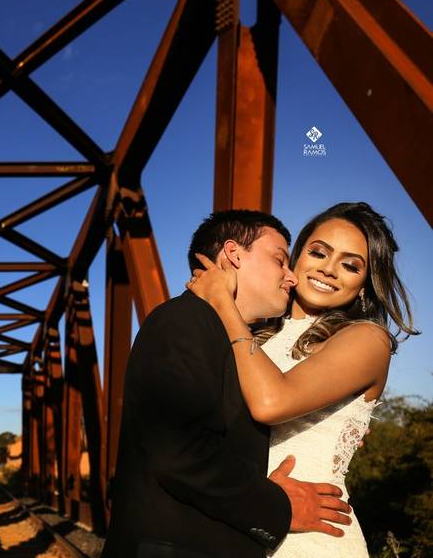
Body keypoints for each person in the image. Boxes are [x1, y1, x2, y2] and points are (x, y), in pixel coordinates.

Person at [102, 210, 352, 558]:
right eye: (279, 260)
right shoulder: (183, 319)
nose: (291, 276)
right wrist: (278, 507)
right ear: (233, 254)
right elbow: (180, 450)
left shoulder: (233, 341)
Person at [185, 202, 419, 557]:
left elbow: (271, 403)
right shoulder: (253, 335)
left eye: (350, 265)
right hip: (244, 523)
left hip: (312, 536)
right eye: (318, 252)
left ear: (364, 285)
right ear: (295, 258)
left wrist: (222, 303)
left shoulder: (368, 340)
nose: (329, 269)